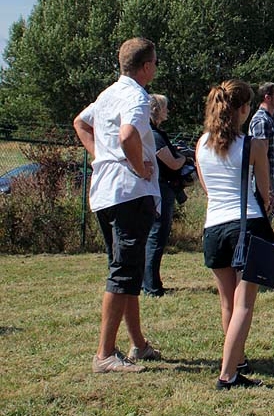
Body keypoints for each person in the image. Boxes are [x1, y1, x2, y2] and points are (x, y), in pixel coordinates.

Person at [74, 37, 163, 373]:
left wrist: (104, 157)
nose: (156, 67)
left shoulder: (108, 94)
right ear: (144, 67)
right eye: (154, 62)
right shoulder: (135, 97)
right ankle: (105, 354)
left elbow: (81, 123)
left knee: (126, 270)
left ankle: (138, 345)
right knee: (124, 272)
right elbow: (128, 136)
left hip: (105, 193)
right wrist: (140, 168)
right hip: (129, 193)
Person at [195, 79, 273, 390]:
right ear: (242, 109)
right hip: (246, 225)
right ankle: (228, 374)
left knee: (227, 302)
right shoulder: (254, 145)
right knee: (244, 304)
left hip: (213, 228)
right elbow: (265, 194)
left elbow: (206, 188)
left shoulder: (200, 145)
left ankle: (237, 359)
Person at [143, 93, 188, 297]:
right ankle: (151, 286)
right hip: (162, 189)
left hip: (160, 187)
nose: (167, 110)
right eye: (165, 107)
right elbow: (171, 162)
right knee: (156, 236)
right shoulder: (153, 135)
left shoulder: (155, 133)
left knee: (155, 236)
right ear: (156, 110)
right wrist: (184, 158)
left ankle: (150, 283)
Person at [249, 82, 274, 218]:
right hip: (265, 180)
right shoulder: (262, 121)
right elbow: (261, 157)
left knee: (266, 220)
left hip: (272, 179)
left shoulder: (269, 119)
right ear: (267, 98)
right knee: (261, 221)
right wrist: (267, 188)